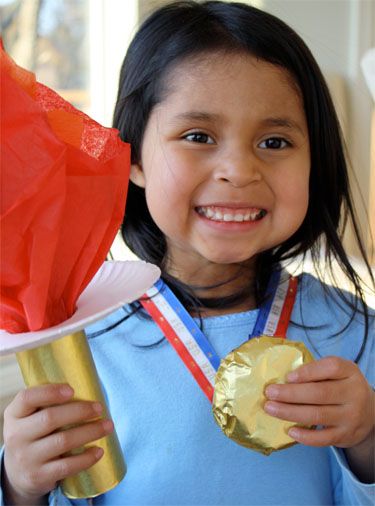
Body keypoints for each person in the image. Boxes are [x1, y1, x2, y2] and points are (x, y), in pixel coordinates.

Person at [1, 1, 374, 504]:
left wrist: (368, 439)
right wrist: (20, 485)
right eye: (198, 136)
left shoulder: (355, 333)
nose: (239, 170)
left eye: (275, 140)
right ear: (131, 156)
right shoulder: (79, 339)